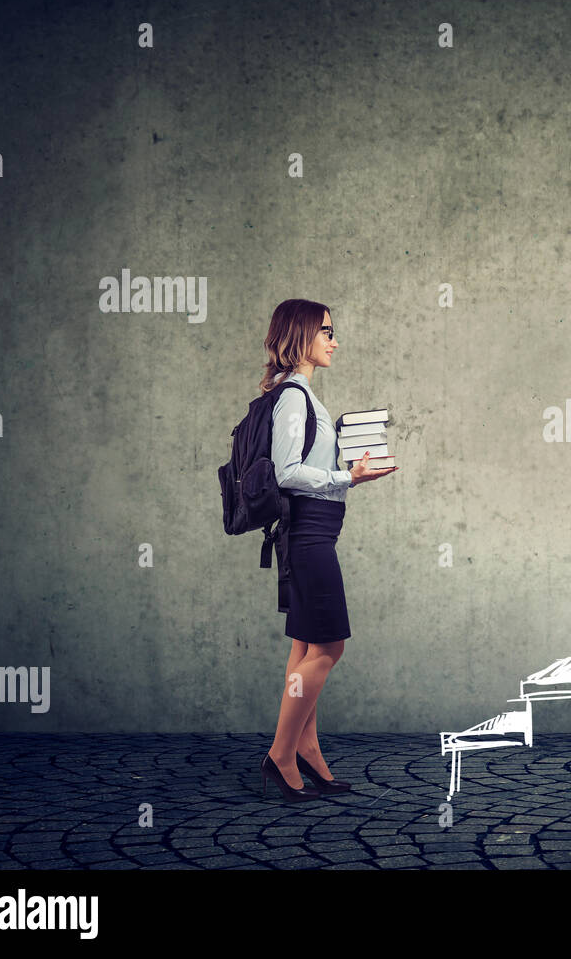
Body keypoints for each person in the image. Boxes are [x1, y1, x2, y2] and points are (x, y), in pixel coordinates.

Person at [255, 299, 396, 802]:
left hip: (313, 531)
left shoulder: (300, 395)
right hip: (309, 536)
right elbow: (286, 471)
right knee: (329, 648)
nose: (335, 341)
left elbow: (307, 470)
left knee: (306, 650)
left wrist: (352, 476)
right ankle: (280, 753)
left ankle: (306, 751)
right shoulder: (295, 396)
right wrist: (345, 475)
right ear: (301, 336)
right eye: (327, 332)